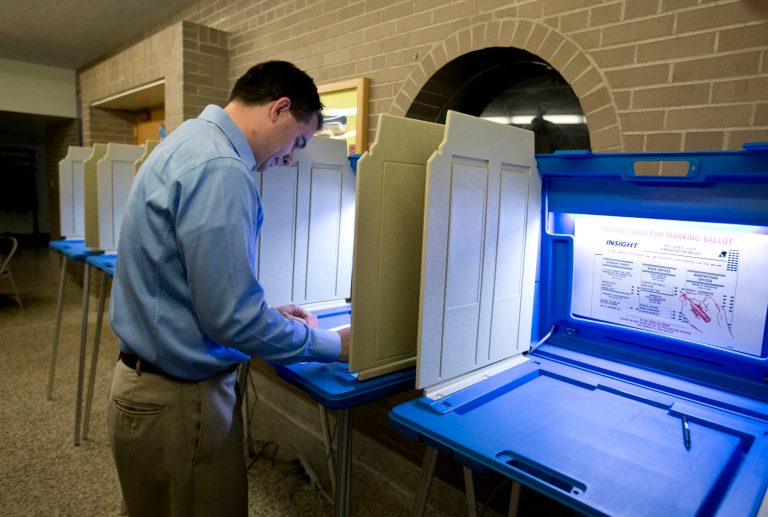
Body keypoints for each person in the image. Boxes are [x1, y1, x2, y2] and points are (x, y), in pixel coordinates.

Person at [107, 60, 350, 517]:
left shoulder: (188, 141)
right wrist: (333, 345)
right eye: (298, 141)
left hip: (147, 386)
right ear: (279, 108)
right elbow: (232, 319)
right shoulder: (223, 168)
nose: (290, 158)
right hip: (180, 401)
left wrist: (267, 314)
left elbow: (187, 285)